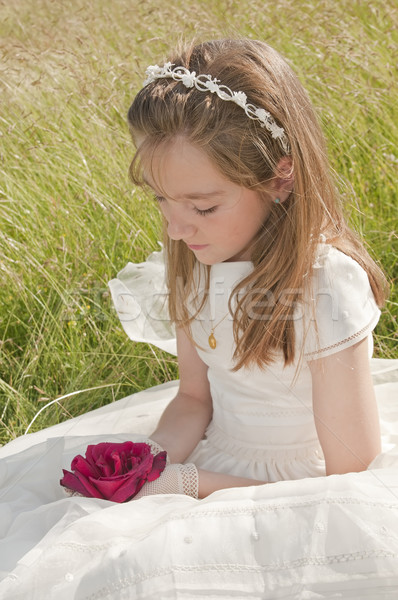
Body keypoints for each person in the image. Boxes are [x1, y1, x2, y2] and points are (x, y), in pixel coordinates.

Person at [1, 38, 398, 599]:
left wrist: (191, 484)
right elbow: (194, 399)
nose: (176, 228)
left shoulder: (323, 283)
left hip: (298, 491)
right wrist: (147, 466)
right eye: (161, 200)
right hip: (213, 454)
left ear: (280, 178)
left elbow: (348, 480)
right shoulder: (192, 261)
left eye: (203, 206)